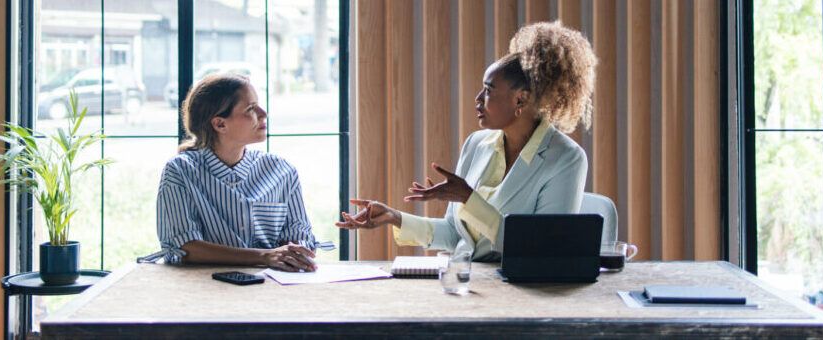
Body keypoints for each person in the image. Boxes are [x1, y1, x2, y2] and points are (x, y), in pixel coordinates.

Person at [336, 22, 597, 262]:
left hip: (521, 295)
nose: (478, 98)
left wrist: (469, 198)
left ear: (521, 100)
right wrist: (394, 217)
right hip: (464, 282)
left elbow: (541, 251)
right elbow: (454, 235)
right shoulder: (476, 144)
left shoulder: (565, 159)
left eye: (489, 90)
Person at [156, 73, 318, 272]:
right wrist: (264, 256)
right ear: (220, 124)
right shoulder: (180, 171)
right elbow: (184, 247)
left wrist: (294, 252)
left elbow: (299, 233)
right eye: (250, 108)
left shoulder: (282, 170)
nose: (263, 113)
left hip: (272, 287)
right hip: (203, 289)